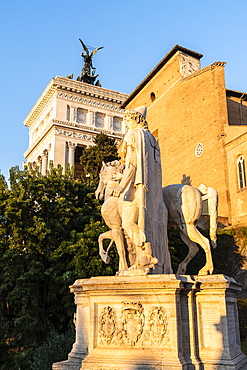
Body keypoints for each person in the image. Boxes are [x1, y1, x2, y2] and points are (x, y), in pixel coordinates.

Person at [112, 106, 172, 273]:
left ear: (136, 119)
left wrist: (121, 185)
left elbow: (132, 165)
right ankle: (153, 260)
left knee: (127, 222)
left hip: (135, 188)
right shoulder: (152, 139)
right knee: (146, 221)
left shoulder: (133, 135)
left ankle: (145, 255)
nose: (126, 124)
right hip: (151, 191)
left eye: (128, 120)